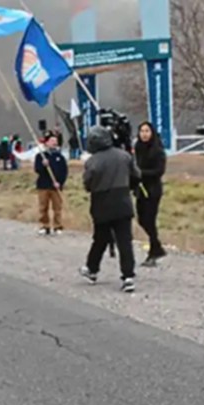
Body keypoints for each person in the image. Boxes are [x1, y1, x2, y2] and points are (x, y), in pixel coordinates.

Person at [79, 126, 141, 293]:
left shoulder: (92, 161)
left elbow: (87, 183)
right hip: (122, 201)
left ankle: (92, 269)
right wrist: (130, 187)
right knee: (124, 241)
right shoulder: (124, 156)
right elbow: (136, 175)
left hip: (101, 203)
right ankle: (128, 276)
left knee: (100, 238)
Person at [134, 122, 167, 267]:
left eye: (147, 131)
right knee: (141, 220)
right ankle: (157, 247)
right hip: (140, 189)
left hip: (153, 190)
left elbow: (159, 171)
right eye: (142, 131)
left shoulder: (158, 150)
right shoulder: (138, 148)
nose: (144, 134)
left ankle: (154, 250)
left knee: (150, 220)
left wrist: (141, 173)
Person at [34, 134, 68, 236]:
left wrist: (60, 183)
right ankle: (45, 226)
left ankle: (58, 226)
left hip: (55, 186)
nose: (54, 143)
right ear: (47, 143)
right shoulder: (40, 156)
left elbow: (64, 171)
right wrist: (43, 165)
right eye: (52, 141)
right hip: (43, 185)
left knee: (57, 208)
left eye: (55, 141)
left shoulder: (60, 157)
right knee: (43, 207)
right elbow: (37, 169)